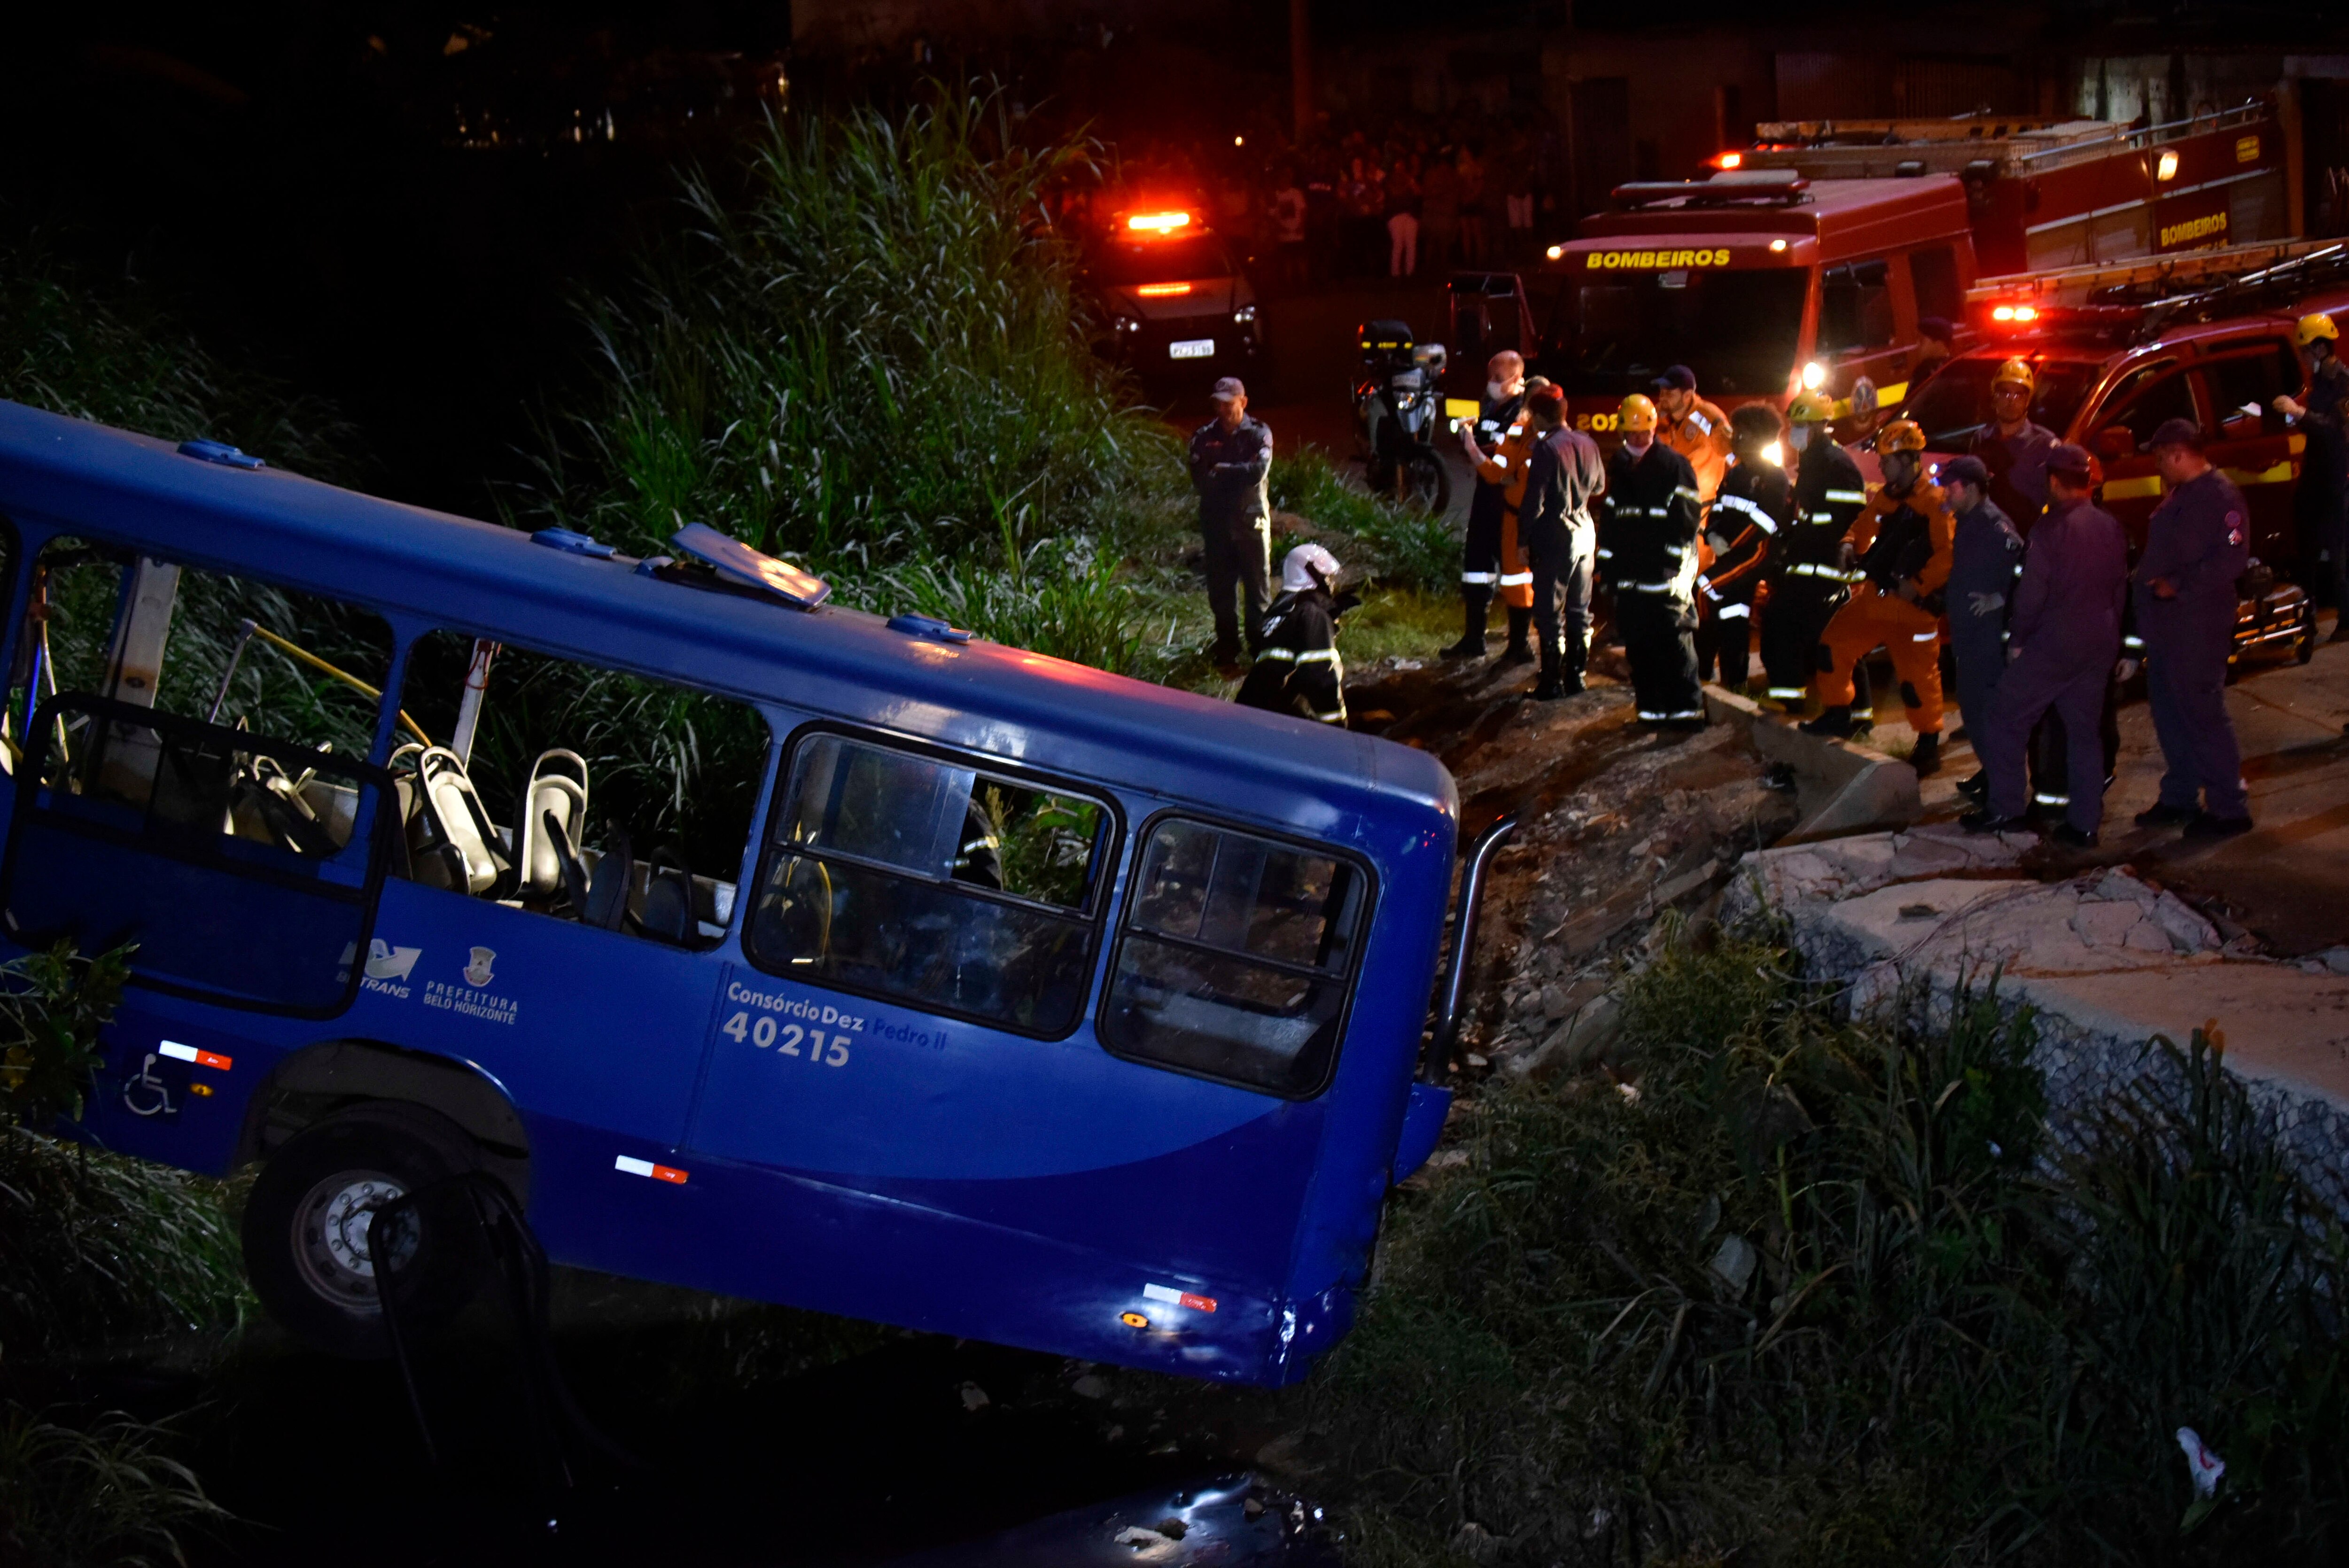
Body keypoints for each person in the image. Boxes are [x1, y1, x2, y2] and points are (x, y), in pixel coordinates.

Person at [1962, 443, 2128, 846]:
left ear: (2055, 482)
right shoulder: (2111, 526)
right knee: (2085, 735)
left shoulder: (2049, 530)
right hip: (2099, 643)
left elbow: (2032, 595)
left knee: (2005, 718)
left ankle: (2005, 810)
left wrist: (2017, 641)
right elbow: (2120, 590)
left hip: (2055, 644)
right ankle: (2085, 825)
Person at [1804, 419, 1953, 776]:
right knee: (1832, 646)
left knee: (1918, 682)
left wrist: (1916, 586)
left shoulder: (1935, 503)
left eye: (1887, 460)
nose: (1881, 466)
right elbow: (1865, 523)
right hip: (1876, 600)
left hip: (1912, 611)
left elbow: (1947, 555)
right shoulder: (1887, 498)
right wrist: (1847, 543)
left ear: (1907, 459)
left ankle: (1928, 746)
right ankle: (1839, 714)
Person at [2129, 418, 2255, 838]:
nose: (2158, 466)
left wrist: (2179, 585)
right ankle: (2180, 796)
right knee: (2171, 714)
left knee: (2203, 714)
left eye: (2161, 458)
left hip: (2198, 626)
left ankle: (2228, 808)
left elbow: (2232, 559)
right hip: (2169, 628)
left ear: (2177, 455)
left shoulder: (2220, 497)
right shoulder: (2184, 495)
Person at [1757, 389, 1871, 711]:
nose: (1796, 431)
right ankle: (1789, 697)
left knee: (1831, 642)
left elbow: (1851, 521)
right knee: (1785, 626)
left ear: (1822, 425)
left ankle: (1857, 714)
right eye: (1794, 423)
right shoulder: (1813, 459)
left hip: (1825, 568)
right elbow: (1804, 514)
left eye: (1802, 425)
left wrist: (1835, 561)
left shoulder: (1838, 465)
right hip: (1806, 564)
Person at [1597, 393, 1704, 727]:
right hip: (1631, 576)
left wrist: (1673, 560)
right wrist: (1607, 570)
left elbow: (1687, 517)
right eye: (1631, 435)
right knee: (1639, 646)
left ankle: (1686, 712)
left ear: (1654, 430)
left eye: (1643, 434)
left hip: (1663, 573)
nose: (1638, 440)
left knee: (1673, 640)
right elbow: (1612, 521)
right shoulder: (1620, 466)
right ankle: (1652, 711)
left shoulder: (1674, 465)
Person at [1936, 454, 2025, 804]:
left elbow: (2026, 574)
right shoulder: (1969, 521)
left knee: (1983, 712)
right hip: (1969, 637)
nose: (1946, 495)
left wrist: (1999, 600)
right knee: (1974, 712)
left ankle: (2001, 786)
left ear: (1972, 488)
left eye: (1951, 489)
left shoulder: (1993, 525)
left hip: (1986, 640)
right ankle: (1992, 773)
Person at [1516, 384, 1607, 698]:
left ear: (1541, 417)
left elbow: (1534, 500)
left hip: (1554, 534)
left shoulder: (1546, 448)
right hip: (1585, 532)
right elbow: (1598, 488)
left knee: (1549, 611)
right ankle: (1577, 677)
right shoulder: (1587, 442)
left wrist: (1523, 538)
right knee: (1581, 609)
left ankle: (1551, 682)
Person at [1697, 403, 1794, 691]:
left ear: (1762, 439)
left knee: (1705, 588)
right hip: (1732, 553)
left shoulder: (1775, 478)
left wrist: (1730, 546)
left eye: (1743, 434)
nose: (1736, 439)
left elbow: (1764, 523)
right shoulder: (1736, 473)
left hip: (1756, 554)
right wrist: (1712, 534)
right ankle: (1734, 680)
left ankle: (1701, 667)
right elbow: (1719, 507)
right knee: (1733, 613)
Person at [1443, 351, 1531, 660]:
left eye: (1498, 378)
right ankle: (1473, 638)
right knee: (1476, 568)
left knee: (1515, 574)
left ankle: (1520, 646)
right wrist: (1464, 430)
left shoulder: (1523, 413)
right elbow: (1481, 437)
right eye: (1490, 377)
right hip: (1485, 496)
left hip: (1508, 502)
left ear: (1516, 379)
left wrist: (1473, 444)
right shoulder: (1491, 404)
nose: (1492, 384)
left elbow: (1502, 454)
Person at [1188, 377, 1273, 670]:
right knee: (1221, 593)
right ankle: (1227, 648)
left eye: (1230, 404)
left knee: (1258, 591)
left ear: (1243, 402)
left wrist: (1223, 471)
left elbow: (1257, 471)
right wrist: (1236, 472)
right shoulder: (1203, 436)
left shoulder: (1259, 433)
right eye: (1219, 404)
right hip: (1217, 525)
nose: (1223, 410)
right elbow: (1201, 479)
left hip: (1252, 523)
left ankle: (1261, 649)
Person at [2275, 311, 2349, 632]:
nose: (2302, 359)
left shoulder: (2342, 382)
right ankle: (2307, 620)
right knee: (2308, 552)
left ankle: (2347, 621)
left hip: (2336, 481)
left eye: (2304, 352)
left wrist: (2299, 413)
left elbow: (2336, 430)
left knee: (2340, 556)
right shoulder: (2320, 381)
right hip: (2317, 479)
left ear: (2319, 349)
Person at [1237, 544, 1353, 725]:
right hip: (1278, 722)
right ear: (1312, 576)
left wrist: (1330, 613)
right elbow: (1320, 676)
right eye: (1328, 578)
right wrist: (1337, 727)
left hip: (1250, 714)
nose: (1332, 585)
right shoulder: (1311, 614)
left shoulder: (1279, 614)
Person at [1968, 357, 2058, 532]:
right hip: (1987, 536)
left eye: (2019, 394)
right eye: (2005, 393)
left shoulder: (2045, 444)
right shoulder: (1981, 439)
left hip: (2027, 539)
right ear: (1995, 396)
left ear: (2027, 399)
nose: (2011, 401)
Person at [1652, 365, 1733, 505]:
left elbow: (1734, 456)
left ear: (1687, 396)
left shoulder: (1710, 418)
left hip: (1700, 506)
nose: (1663, 398)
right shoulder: (1657, 414)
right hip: (1666, 502)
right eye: (1662, 392)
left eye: (1669, 394)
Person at [1385, 158, 1421, 278]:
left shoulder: (1410, 179)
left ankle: (1410, 273)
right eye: (1398, 168)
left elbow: (1419, 193)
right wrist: (1408, 184)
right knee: (1398, 244)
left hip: (1410, 215)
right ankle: (1396, 273)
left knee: (1411, 245)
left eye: (1402, 168)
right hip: (1395, 216)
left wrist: (1412, 182)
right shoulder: (1390, 181)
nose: (1400, 171)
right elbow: (1395, 193)